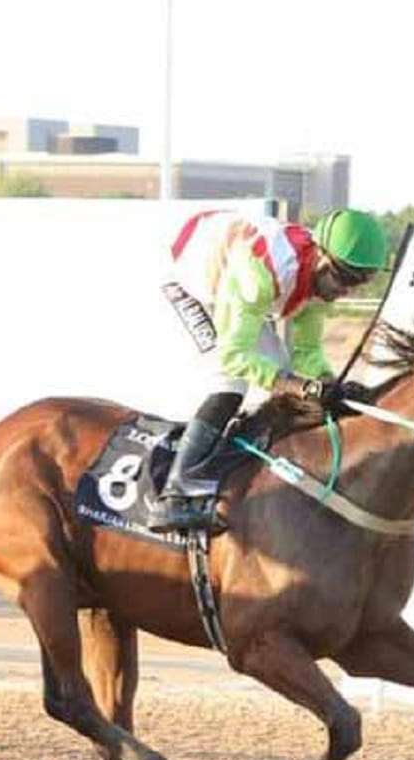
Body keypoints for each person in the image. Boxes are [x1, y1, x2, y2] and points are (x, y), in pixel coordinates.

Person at [146, 207, 388, 533]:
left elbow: (306, 355)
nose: (346, 290)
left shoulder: (317, 287)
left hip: (229, 281)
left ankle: (238, 460)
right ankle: (176, 492)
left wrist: (331, 385)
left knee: (285, 372)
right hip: (188, 283)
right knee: (230, 380)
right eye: (344, 276)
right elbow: (235, 355)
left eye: (359, 282)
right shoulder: (261, 273)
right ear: (320, 253)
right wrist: (298, 386)